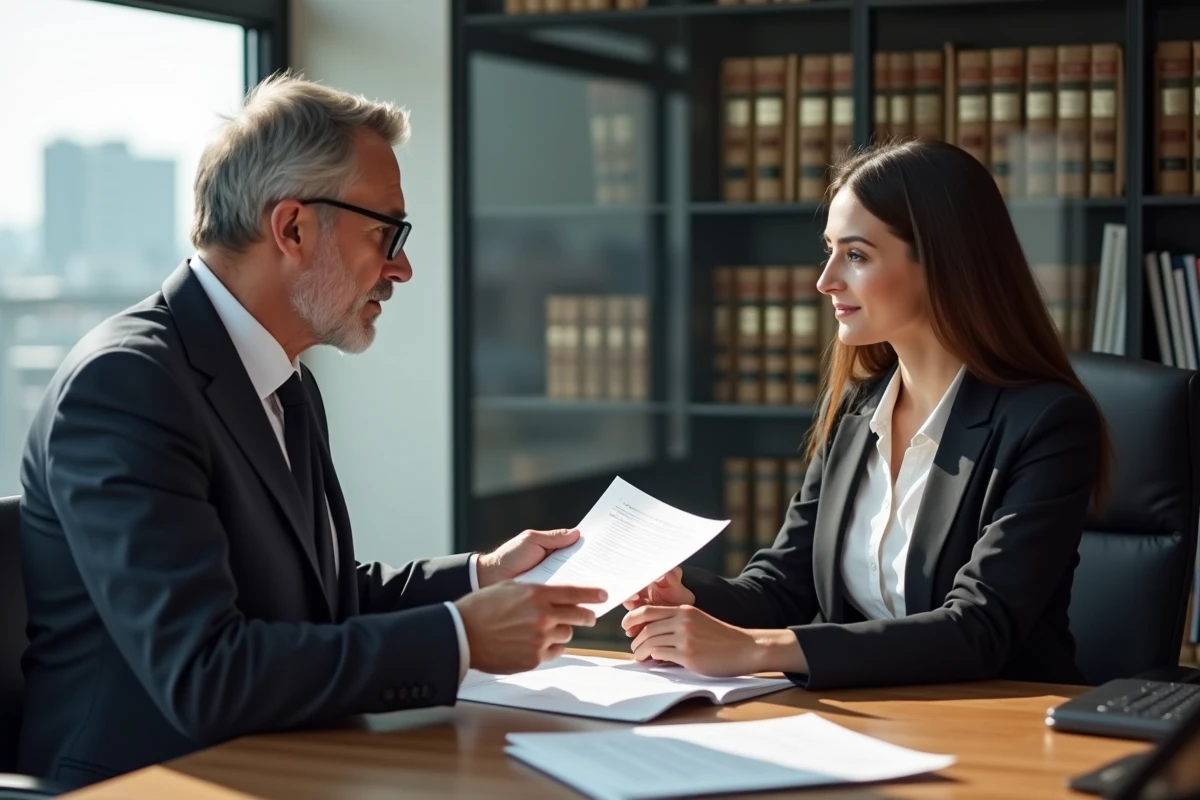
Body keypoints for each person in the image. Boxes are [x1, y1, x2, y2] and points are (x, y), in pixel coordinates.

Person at [16, 72, 605, 787]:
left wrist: (480, 576)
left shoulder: (284, 381)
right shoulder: (124, 386)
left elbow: (319, 602)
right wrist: (461, 637)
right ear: (291, 227)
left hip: (270, 760)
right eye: (385, 232)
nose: (403, 267)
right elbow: (205, 673)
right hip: (149, 781)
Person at [622, 139, 1112, 690]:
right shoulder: (859, 409)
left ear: (943, 262)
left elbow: (977, 629)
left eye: (855, 255)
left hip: (998, 726)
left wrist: (756, 648)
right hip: (867, 722)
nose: (825, 280)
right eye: (829, 250)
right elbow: (783, 586)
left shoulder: (1048, 424)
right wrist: (685, 592)